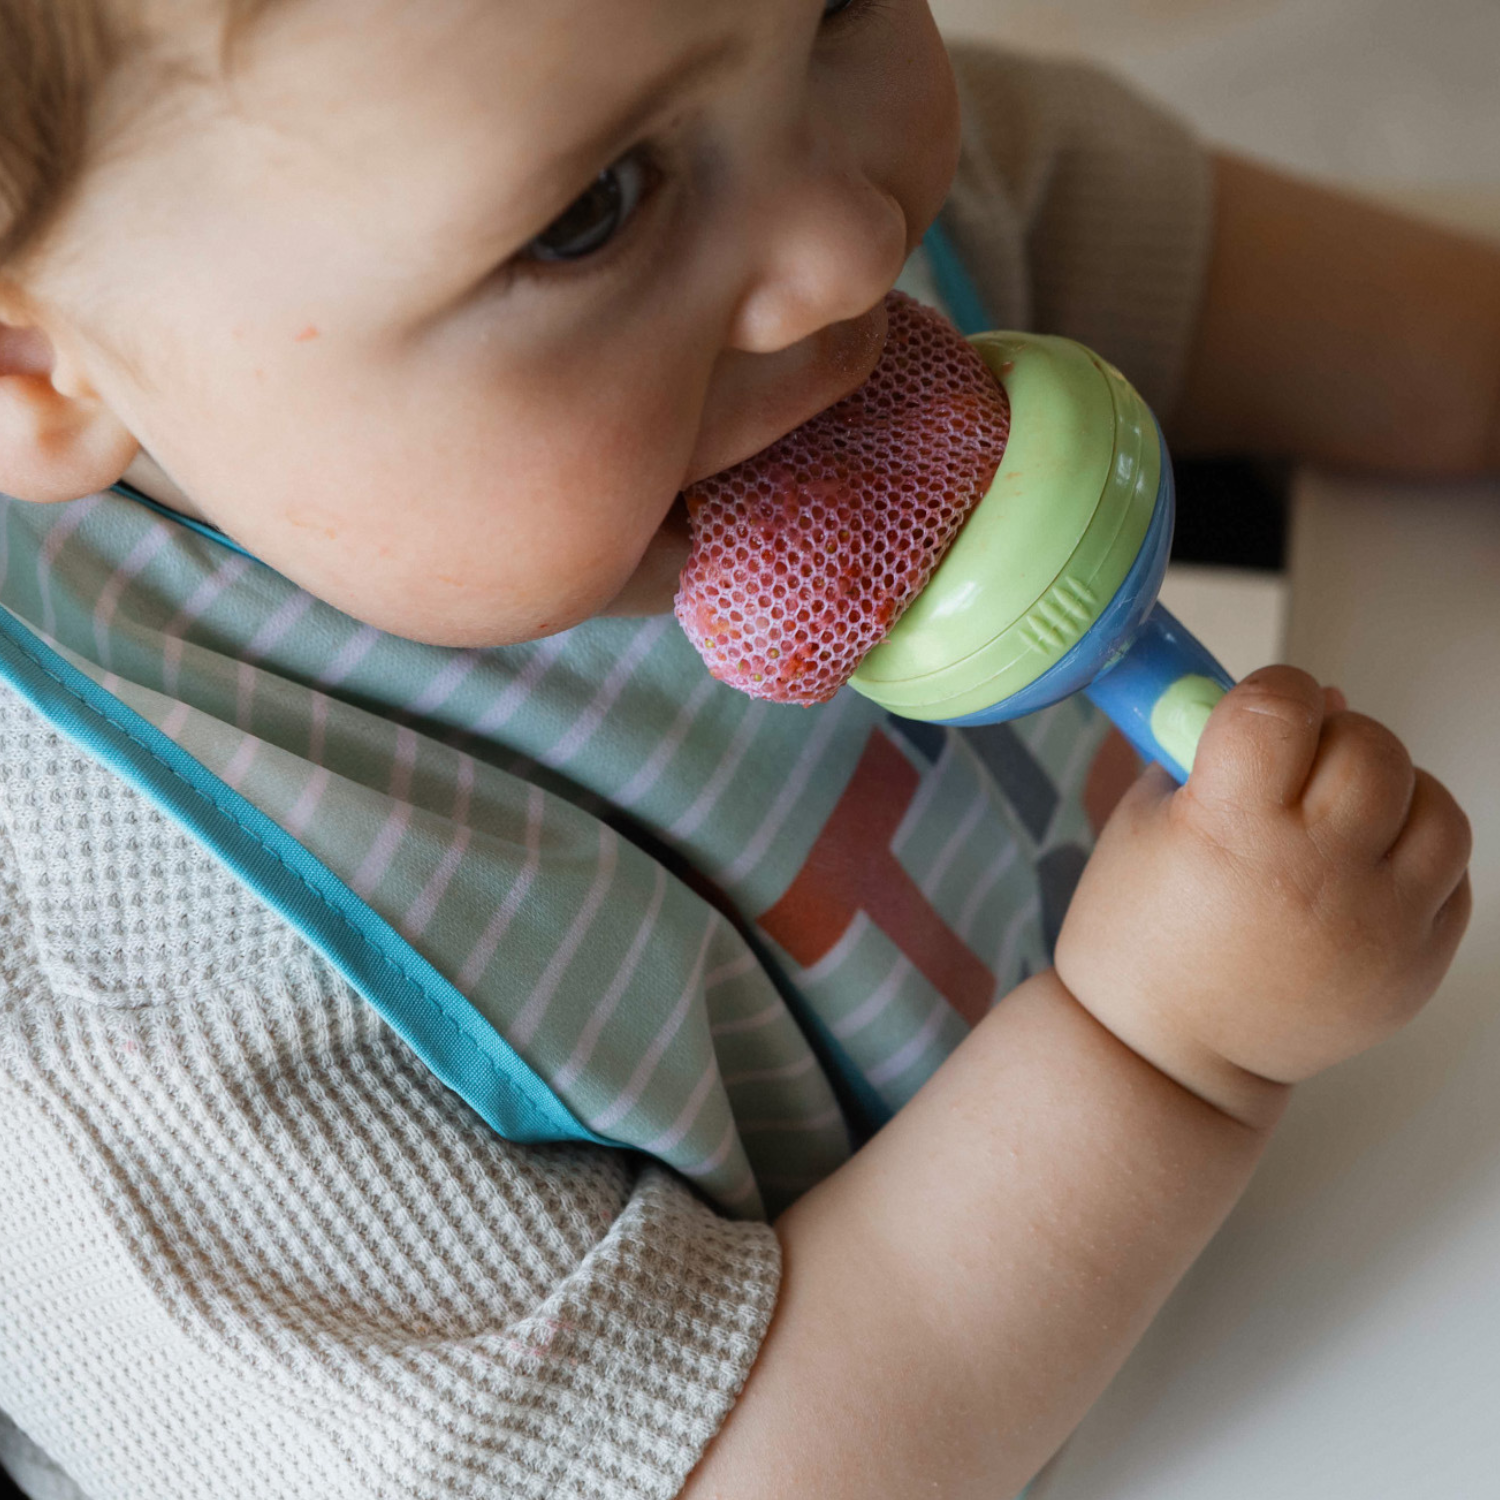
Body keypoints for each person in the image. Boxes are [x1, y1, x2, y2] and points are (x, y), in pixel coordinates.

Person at [0, 1, 1485, 1496]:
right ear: (37, 356)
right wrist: (1163, 1049)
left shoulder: (723, 126)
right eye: (592, 211)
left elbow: (1130, 234)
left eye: (840, 7)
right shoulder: (148, 1027)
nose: (850, 242)